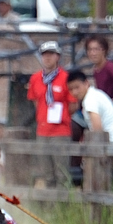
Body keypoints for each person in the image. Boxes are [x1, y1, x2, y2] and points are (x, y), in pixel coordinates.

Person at [67, 69, 113, 183]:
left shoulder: (90, 100)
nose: (74, 92)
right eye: (71, 89)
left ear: (86, 83)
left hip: (108, 144)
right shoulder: (96, 94)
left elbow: (97, 129)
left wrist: (90, 149)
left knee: (100, 182)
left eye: (77, 87)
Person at [26, 41, 75, 187]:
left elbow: (73, 104)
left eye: (51, 54)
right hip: (42, 131)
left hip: (61, 132)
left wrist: (62, 116)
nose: (47, 58)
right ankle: (48, 207)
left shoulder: (66, 78)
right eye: (44, 55)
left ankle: (63, 207)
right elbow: (35, 101)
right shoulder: (35, 79)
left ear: (57, 57)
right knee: (46, 174)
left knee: (62, 173)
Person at [84, 35, 113, 108]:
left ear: (104, 50)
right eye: (89, 50)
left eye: (96, 49)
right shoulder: (96, 69)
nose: (93, 53)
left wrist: (112, 102)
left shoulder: (109, 67)